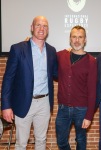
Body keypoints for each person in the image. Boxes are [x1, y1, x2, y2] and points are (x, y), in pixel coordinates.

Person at [1, 16, 58, 150]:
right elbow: (8, 78)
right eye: (38, 25)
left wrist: (69, 57)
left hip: (44, 103)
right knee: (21, 142)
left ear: (48, 30)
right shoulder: (18, 49)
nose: (41, 28)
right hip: (23, 102)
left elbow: (56, 73)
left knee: (41, 140)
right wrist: (6, 106)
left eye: (44, 26)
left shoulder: (51, 51)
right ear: (32, 28)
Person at [55, 25, 97, 150]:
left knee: (81, 140)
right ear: (70, 39)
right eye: (74, 37)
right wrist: (28, 44)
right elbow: (45, 52)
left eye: (80, 37)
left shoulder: (91, 61)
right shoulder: (61, 55)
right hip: (63, 109)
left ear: (85, 40)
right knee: (61, 141)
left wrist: (89, 116)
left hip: (82, 110)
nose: (77, 40)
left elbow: (92, 91)